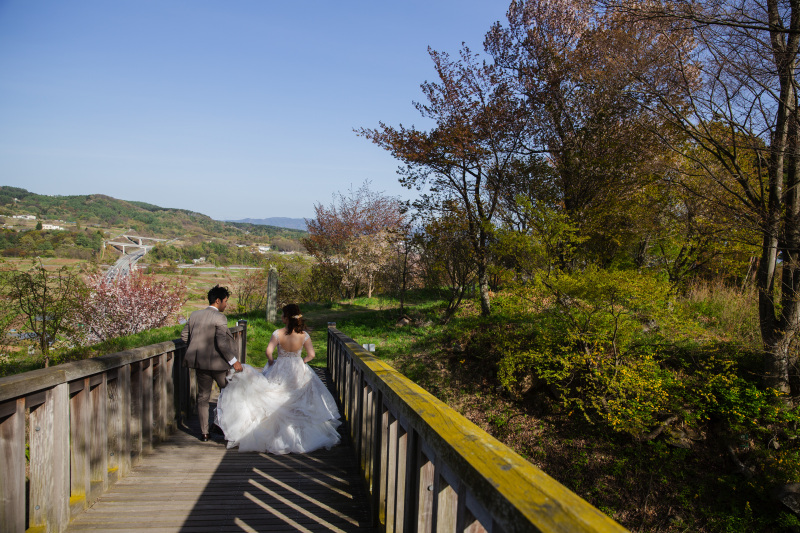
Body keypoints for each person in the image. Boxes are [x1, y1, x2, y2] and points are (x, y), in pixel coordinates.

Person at [215, 303, 341, 454]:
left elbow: (269, 351)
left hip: (280, 366)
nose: (281, 317)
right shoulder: (304, 335)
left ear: (287, 318)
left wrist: (271, 362)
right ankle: (298, 433)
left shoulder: (277, 333)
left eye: (282, 315)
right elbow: (312, 355)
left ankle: (275, 432)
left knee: (275, 396)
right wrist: (302, 361)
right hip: (297, 367)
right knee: (300, 398)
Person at [181, 285, 243, 442]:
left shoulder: (194, 315)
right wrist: (234, 361)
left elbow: (184, 337)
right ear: (218, 300)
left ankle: (204, 433)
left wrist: (195, 349)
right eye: (225, 301)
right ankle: (222, 426)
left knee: (203, 397)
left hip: (200, 364)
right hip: (219, 365)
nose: (226, 305)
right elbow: (222, 343)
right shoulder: (220, 318)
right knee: (229, 393)